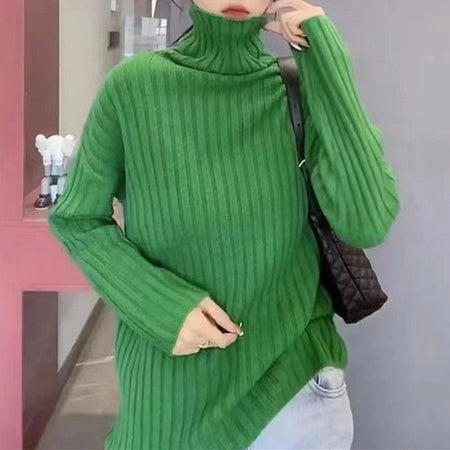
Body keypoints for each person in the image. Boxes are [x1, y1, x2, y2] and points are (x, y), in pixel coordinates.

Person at [48, 0, 401, 449]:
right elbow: (78, 218)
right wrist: (159, 305)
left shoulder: (296, 87)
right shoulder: (133, 89)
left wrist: (326, 55)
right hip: (169, 399)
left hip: (293, 394)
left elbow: (367, 220)